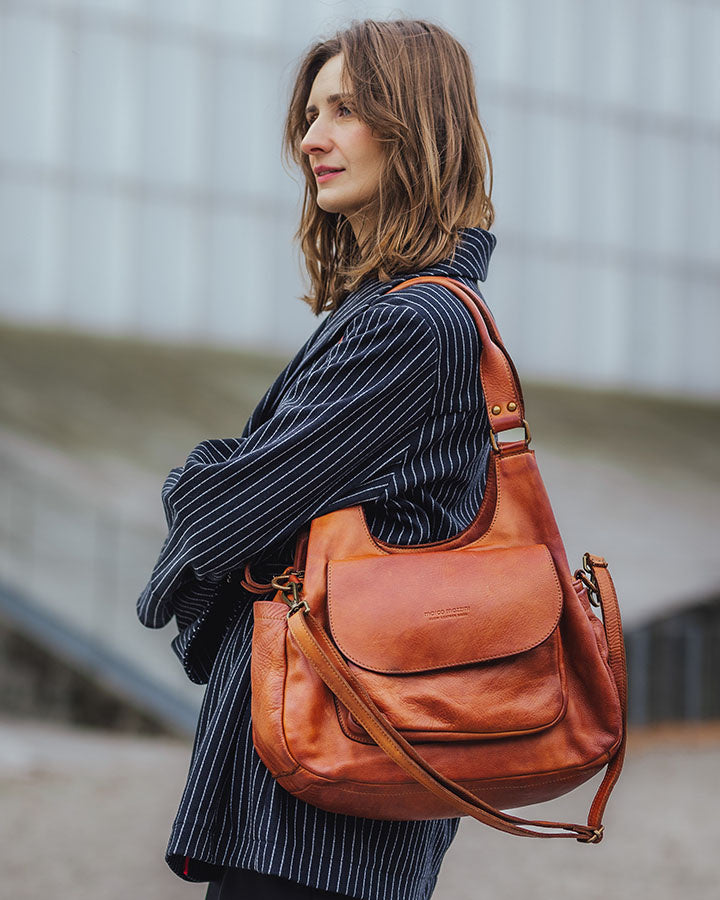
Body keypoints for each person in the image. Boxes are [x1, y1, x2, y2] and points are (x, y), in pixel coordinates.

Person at [137, 18, 497, 900]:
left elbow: (226, 512)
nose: (311, 138)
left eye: (344, 109)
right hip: (338, 759)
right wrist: (244, 475)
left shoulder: (411, 325)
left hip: (327, 783)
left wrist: (198, 478)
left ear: (416, 122)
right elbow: (263, 490)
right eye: (309, 113)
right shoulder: (416, 313)